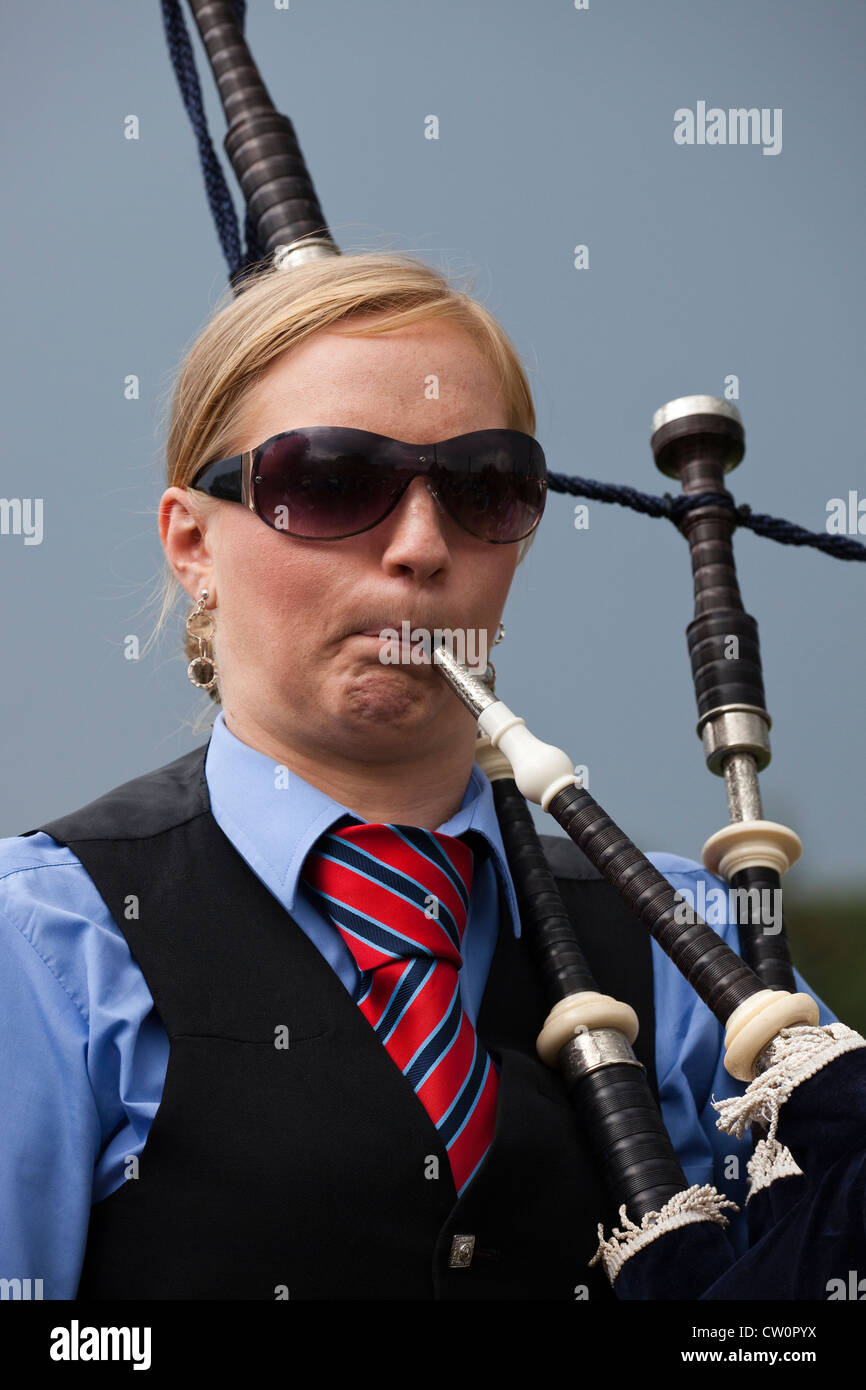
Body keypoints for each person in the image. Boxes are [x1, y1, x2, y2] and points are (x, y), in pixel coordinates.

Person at [0, 252, 835, 1301]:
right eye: (330, 480)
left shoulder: (678, 942)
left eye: (482, 487)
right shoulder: (41, 945)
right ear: (191, 544)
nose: (420, 546)